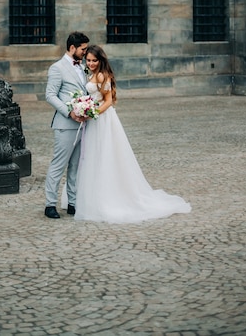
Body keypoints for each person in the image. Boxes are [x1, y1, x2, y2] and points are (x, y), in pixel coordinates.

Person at [71, 45, 192, 223]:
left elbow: (108, 101)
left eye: (94, 60)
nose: (90, 63)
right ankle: (90, 195)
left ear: (100, 60)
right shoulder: (90, 74)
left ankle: (107, 197)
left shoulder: (103, 75)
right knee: (91, 156)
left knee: (105, 154)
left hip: (103, 120)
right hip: (93, 122)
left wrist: (93, 113)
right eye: (88, 60)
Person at [44, 31, 90, 219]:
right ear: (72, 48)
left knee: (76, 166)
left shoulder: (84, 67)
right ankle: (50, 205)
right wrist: (69, 111)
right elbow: (50, 95)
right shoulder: (57, 68)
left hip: (84, 125)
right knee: (58, 164)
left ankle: (73, 203)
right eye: (83, 49)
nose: (85, 53)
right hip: (65, 124)